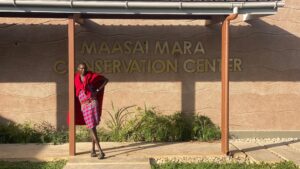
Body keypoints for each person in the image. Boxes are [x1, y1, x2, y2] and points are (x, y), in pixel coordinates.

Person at [74, 63, 108, 159]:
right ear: (78, 69)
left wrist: (97, 91)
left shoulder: (91, 75)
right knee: (92, 127)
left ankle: (100, 151)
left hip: (92, 103)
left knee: (92, 127)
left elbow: (105, 80)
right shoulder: (76, 78)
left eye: (85, 68)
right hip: (84, 105)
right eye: (81, 68)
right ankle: (94, 150)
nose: (83, 70)